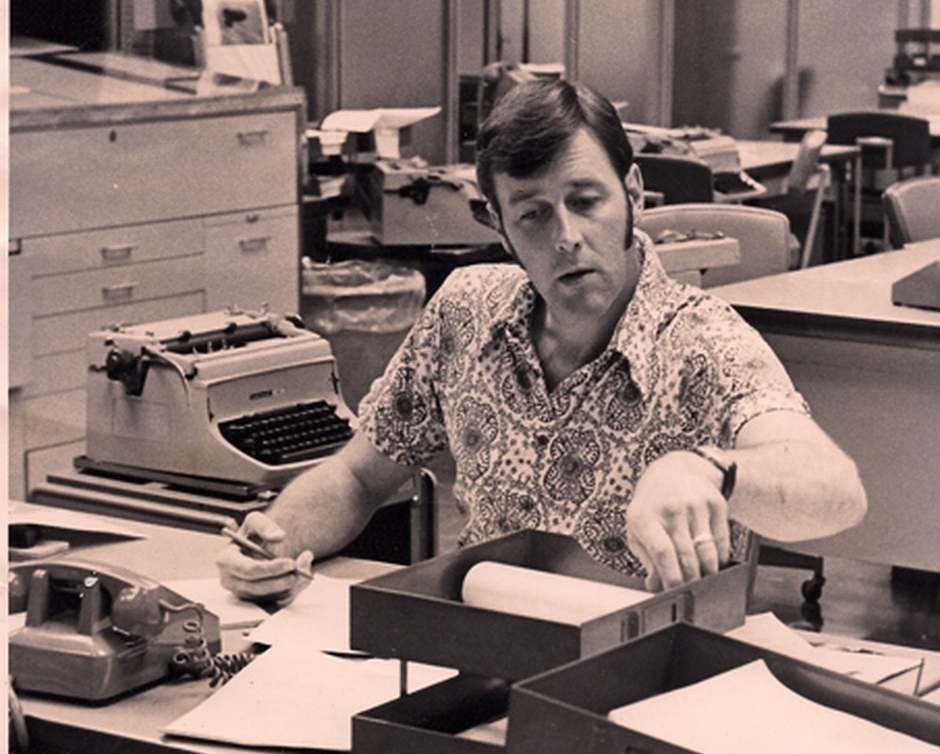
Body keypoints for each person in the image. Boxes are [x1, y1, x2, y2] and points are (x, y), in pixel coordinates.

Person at [217, 79, 866, 602]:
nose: (565, 236)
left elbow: (835, 490)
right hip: (481, 654)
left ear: (633, 192)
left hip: (646, 676)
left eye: (586, 201)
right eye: (533, 214)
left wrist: (708, 469)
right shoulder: (465, 313)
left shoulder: (703, 344)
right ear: (498, 224)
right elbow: (359, 475)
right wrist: (275, 540)